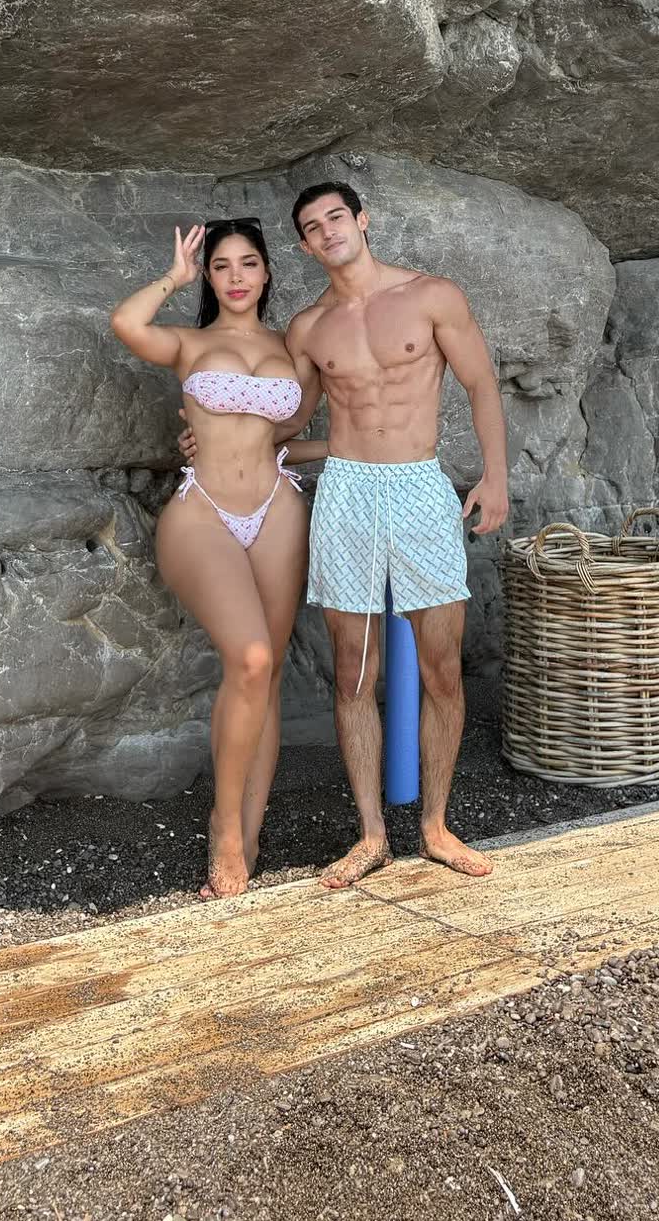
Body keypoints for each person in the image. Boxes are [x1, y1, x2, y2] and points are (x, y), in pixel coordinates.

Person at [183, 182, 509, 889]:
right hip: (347, 492)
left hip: (418, 486)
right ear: (304, 246)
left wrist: (494, 477)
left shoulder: (432, 296)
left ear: (361, 220)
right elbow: (290, 419)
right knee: (353, 670)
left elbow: (481, 383)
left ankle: (435, 826)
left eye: (336, 216)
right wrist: (215, 434)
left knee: (441, 668)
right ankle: (370, 836)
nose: (327, 230)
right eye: (312, 226)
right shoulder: (308, 328)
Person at [111, 218, 318, 900]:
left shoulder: (294, 346)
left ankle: (250, 834)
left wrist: (343, 448)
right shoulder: (190, 343)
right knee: (250, 659)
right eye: (221, 265)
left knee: (268, 675)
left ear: (266, 273)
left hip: (277, 507)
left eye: (248, 263)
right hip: (203, 511)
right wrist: (172, 277)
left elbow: (287, 434)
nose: (235, 276)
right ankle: (224, 828)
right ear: (208, 276)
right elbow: (126, 323)